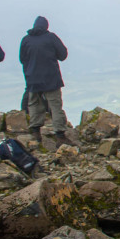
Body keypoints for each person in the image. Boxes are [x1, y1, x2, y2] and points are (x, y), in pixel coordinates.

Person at [20, 16, 70, 145]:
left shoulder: (26, 40)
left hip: (32, 80)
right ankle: (60, 136)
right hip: (51, 79)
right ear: (46, 26)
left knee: (34, 106)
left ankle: (36, 134)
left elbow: (22, 59)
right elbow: (63, 55)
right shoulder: (51, 38)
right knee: (55, 106)